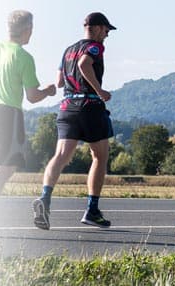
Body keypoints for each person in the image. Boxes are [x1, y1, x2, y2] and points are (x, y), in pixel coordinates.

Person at [0, 10, 56, 236]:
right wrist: (48, 90)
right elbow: (33, 96)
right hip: (8, 113)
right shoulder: (23, 57)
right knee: (6, 167)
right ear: (28, 29)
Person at [32, 12, 118, 229]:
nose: (107, 35)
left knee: (60, 156)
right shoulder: (95, 47)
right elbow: (84, 64)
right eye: (106, 30)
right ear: (96, 28)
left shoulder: (68, 50)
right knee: (100, 156)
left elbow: (60, 82)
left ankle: (45, 198)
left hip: (67, 107)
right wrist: (99, 91)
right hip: (89, 106)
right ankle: (92, 209)